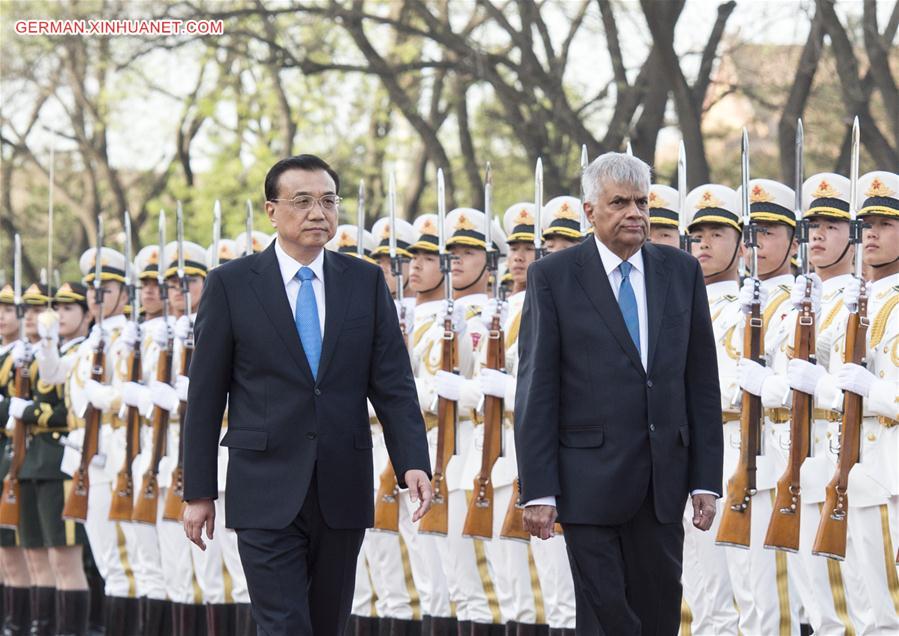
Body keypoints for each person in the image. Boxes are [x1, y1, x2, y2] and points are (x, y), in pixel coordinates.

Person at [181, 153, 432, 635]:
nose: (319, 213)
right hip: (265, 487)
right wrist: (199, 491)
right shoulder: (231, 285)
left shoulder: (363, 282)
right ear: (271, 210)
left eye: (328, 201)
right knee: (283, 624)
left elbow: (394, 384)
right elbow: (207, 396)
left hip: (342, 483)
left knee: (327, 623)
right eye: (303, 201)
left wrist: (412, 462)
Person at [514, 152, 723, 634]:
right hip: (587, 482)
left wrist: (705, 479)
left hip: (662, 483)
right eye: (620, 203)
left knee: (658, 615)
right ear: (590, 211)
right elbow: (537, 388)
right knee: (607, 616)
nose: (635, 213)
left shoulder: (680, 271)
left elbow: (700, 381)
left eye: (641, 202)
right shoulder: (554, 277)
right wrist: (538, 487)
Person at [11, 283, 92, 635]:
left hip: (62, 460)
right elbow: (49, 375)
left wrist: (29, 411)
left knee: (65, 559)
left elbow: (69, 411)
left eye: (68, 308)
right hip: (34, 462)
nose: (59, 315)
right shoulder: (56, 352)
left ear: (87, 313)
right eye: (55, 308)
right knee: (36, 554)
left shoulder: (87, 351)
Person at [682, 184, 744, 634]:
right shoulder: (679, 306)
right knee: (699, 597)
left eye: (717, 233)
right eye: (697, 234)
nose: (703, 242)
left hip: (735, 456)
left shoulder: (751, 307)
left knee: (741, 598)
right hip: (681, 459)